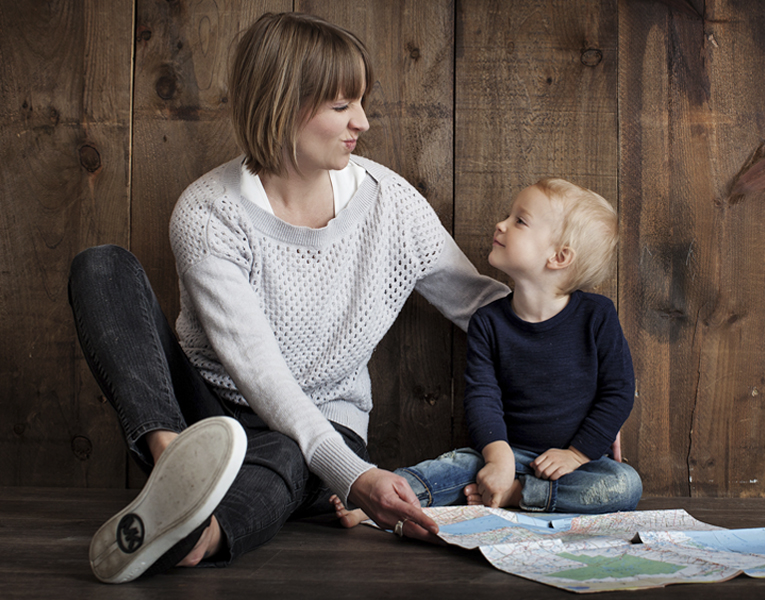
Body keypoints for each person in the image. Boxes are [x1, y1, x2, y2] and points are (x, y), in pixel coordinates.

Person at [67, 12, 508, 584]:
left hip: (321, 425)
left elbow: (481, 306)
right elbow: (259, 371)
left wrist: (581, 374)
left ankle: (198, 534)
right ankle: (175, 466)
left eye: (360, 102)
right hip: (204, 416)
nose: (363, 123)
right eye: (342, 105)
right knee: (102, 266)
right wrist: (354, 479)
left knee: (286, 452)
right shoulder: (208, 213)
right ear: (283, 103)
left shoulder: (390, 204)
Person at [333, 178, 641, 526]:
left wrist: (577, 454)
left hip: (574, 465)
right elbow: (482, 397)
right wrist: (498, 458)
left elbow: (617, 392)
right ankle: (378, 502)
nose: (502, 224)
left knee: (624, 485)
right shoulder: (489, 322)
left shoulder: (597, 316)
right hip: (507, 451)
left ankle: (518, 495)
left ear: (559, 257)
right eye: (508, 215)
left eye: (519, 221)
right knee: (452, 467)